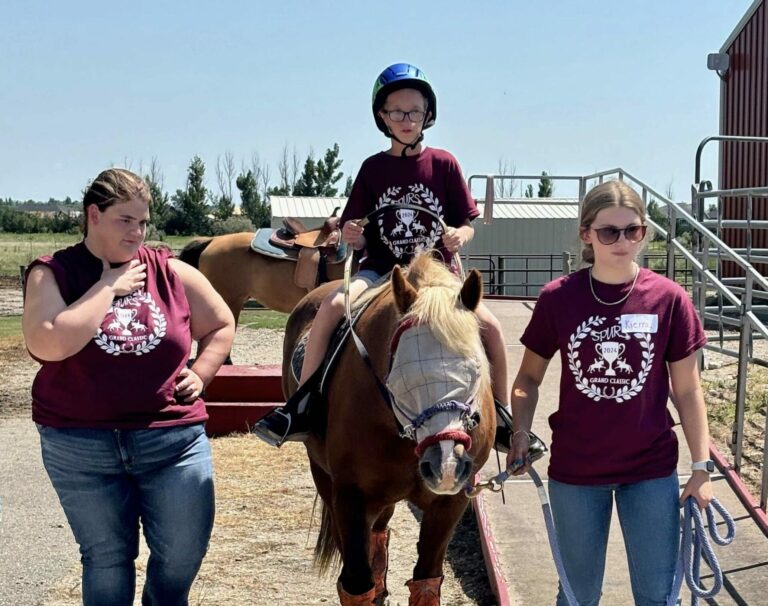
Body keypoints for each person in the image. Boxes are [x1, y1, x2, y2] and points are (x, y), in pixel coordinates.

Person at [253, 62, 511, 446]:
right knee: (331, 307)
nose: (406, 120)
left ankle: (503, 417)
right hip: (379, 270)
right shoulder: (372, 169)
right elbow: (354, 228)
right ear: (382, 117)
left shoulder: (444, 164)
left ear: (428, 115)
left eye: (415, 111)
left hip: (439, 277)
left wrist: (460, 233)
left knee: (492, 327)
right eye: (397, 112)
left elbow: (467, 222)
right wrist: (354, 235)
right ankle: (302, 405)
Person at [22, 168, 235, 606]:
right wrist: (107, 286)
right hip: (80, 445)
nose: (137, 232)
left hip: (171, 441)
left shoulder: (170, 271)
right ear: (93, 215)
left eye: (142, 221)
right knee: (106, 558)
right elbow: (50, 343)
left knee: (180, 556)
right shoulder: (54, 273)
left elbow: (220, 323)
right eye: (125, 220)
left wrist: (202, 369)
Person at [507, 180, 714, 606]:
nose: (622, 241)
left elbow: (689, 389)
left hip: (651, 473)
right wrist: (519, 433)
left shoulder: (669, 300)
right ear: (587, 234)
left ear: (644, 231)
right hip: (577, 473)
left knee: (658, 597)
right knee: (578, 596)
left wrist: (701, 467)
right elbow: (527, 379)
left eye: (632, 230)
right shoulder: (557, 299)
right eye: (608, 231)